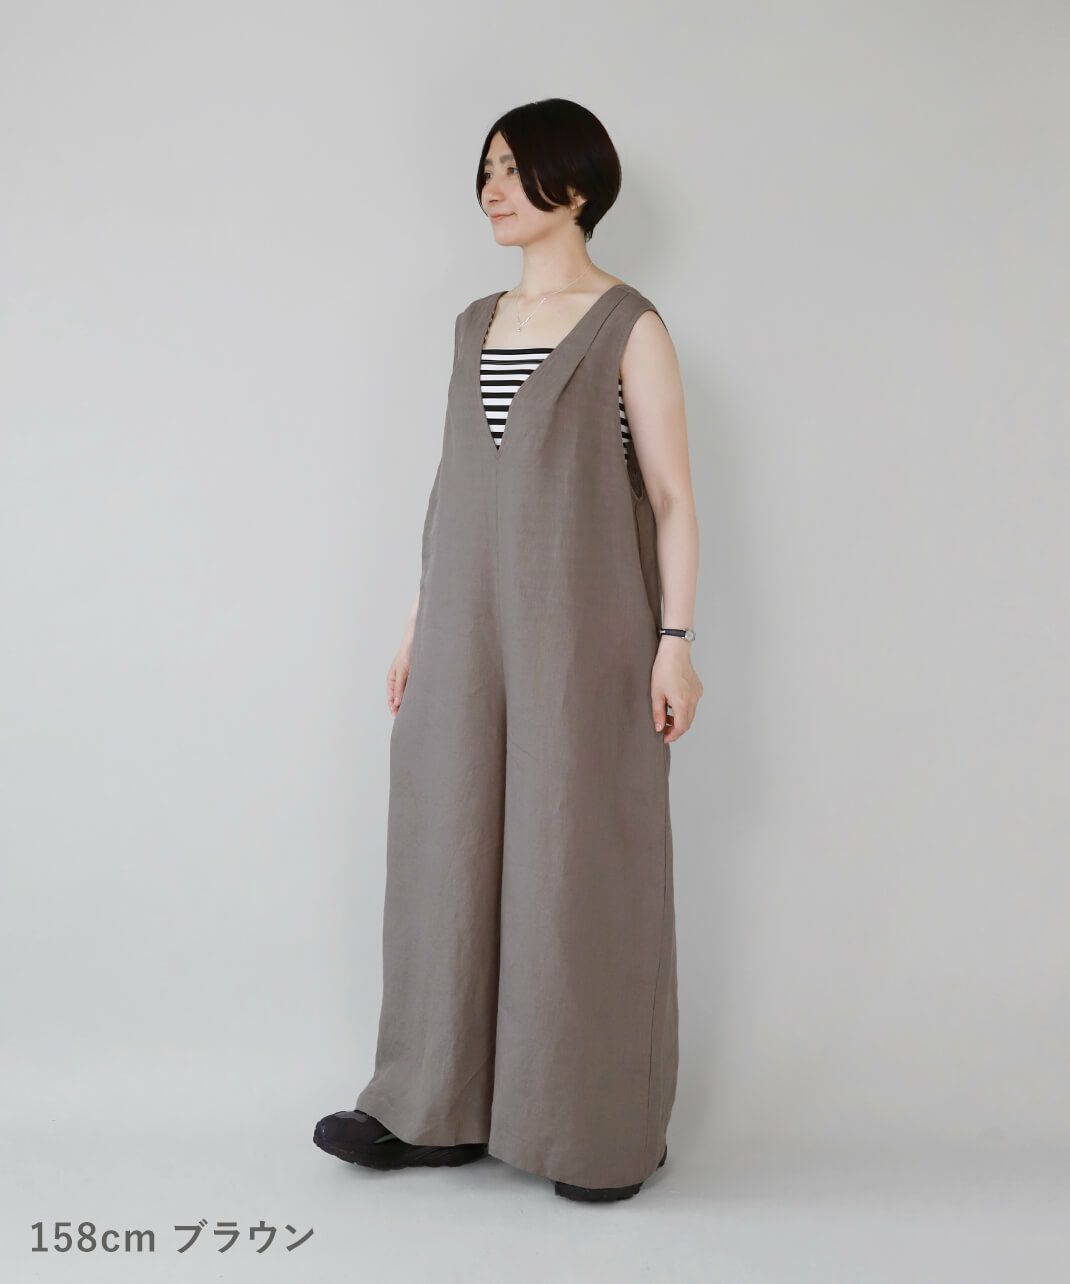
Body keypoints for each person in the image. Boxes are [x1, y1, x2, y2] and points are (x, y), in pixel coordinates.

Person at [314, 97, 703, 1203]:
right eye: (484, 168)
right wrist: (416, 623)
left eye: (513, 169)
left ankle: (594, 1127)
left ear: (573, 187)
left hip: (588, 628)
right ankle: (429, 1108)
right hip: (462, 626)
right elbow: (457, 488)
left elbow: (671, 498)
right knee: (444, 840)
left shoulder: (628, 325)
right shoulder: (471, 323)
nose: (490, 188)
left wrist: (674, 642)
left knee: (575, 853)